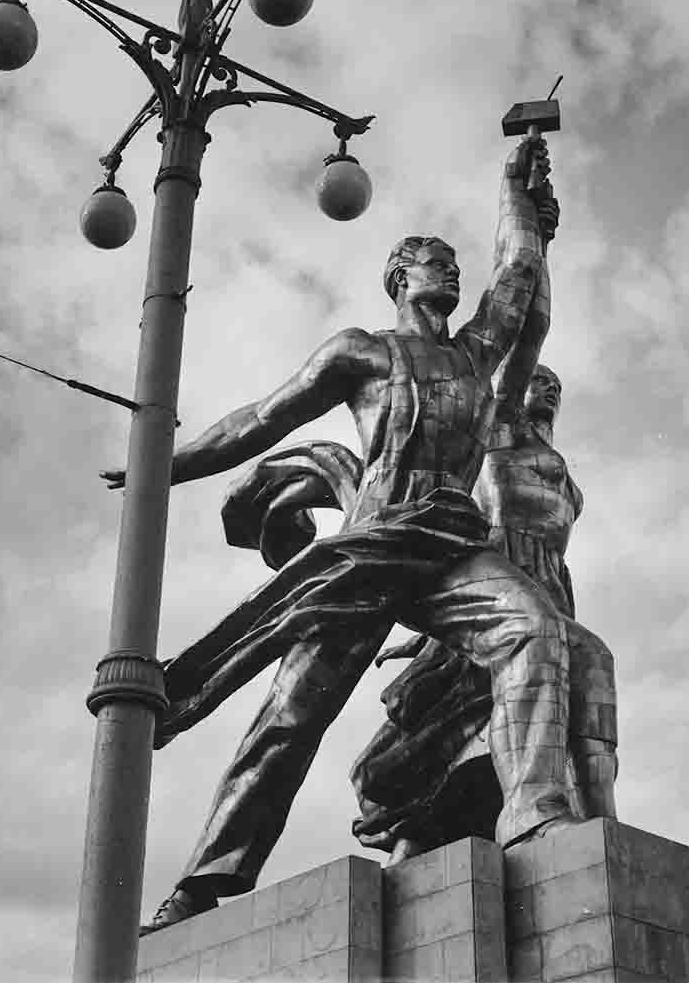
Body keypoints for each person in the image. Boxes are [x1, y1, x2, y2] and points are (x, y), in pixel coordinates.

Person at [102, 134, 564, 934]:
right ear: (400, 275)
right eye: (435, 261)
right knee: (292, 713)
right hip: (374, 540)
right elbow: (261, 417)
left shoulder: (473, 354)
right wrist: (162, 463)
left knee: (533, 628)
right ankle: (204, 886)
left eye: (455, 263)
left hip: (452, 543)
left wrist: (518, 202)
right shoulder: (363, 352)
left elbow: (518, 282)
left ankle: (535, 815)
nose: (451, 271)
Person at [350, 364, 617, 864]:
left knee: (591, 670)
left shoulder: (561, 474)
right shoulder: (494, 433)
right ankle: (426, 830)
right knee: (456, 729)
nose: (551, 388)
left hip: (548, 592)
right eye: (541, 380)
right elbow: (516, 351)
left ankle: (602, 825)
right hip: (492, 588)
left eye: (558, 384)